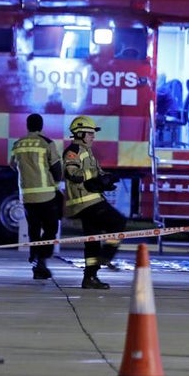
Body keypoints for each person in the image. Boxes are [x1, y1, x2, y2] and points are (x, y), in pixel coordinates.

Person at [62, 115, 126, 289]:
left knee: (92, 240)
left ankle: (90, 278)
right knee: (118, 222)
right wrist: (94, 177)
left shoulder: (87, 151)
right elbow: (72, 174)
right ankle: (106, 257)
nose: (93, 136)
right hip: (85, 202)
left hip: (91, 199)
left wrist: (107, 179)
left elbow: (96, 172)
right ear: (80, 133)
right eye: (90, 133)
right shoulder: (73, 151)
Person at [11, 113, 64, 281]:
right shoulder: (47, 143)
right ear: (41, 127)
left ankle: (35, 258)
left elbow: (12, 165)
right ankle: (41, 261)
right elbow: (56, 169)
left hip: (26, 196)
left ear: (27, 126)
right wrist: (55, 182)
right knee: (50, 229)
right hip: (46, 194)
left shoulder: (18, 144)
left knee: (33, 229)